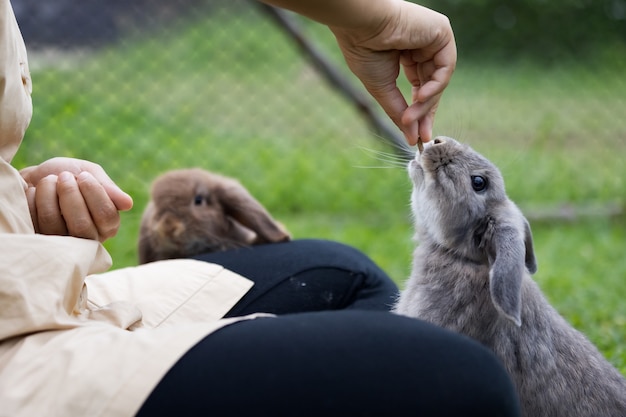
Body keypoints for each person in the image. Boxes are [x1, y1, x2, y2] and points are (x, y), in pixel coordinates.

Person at [0, 0, 521, 416]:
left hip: (41, 293)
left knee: (342, 274)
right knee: (464, 380)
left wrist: (21, 192)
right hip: (17, 359)